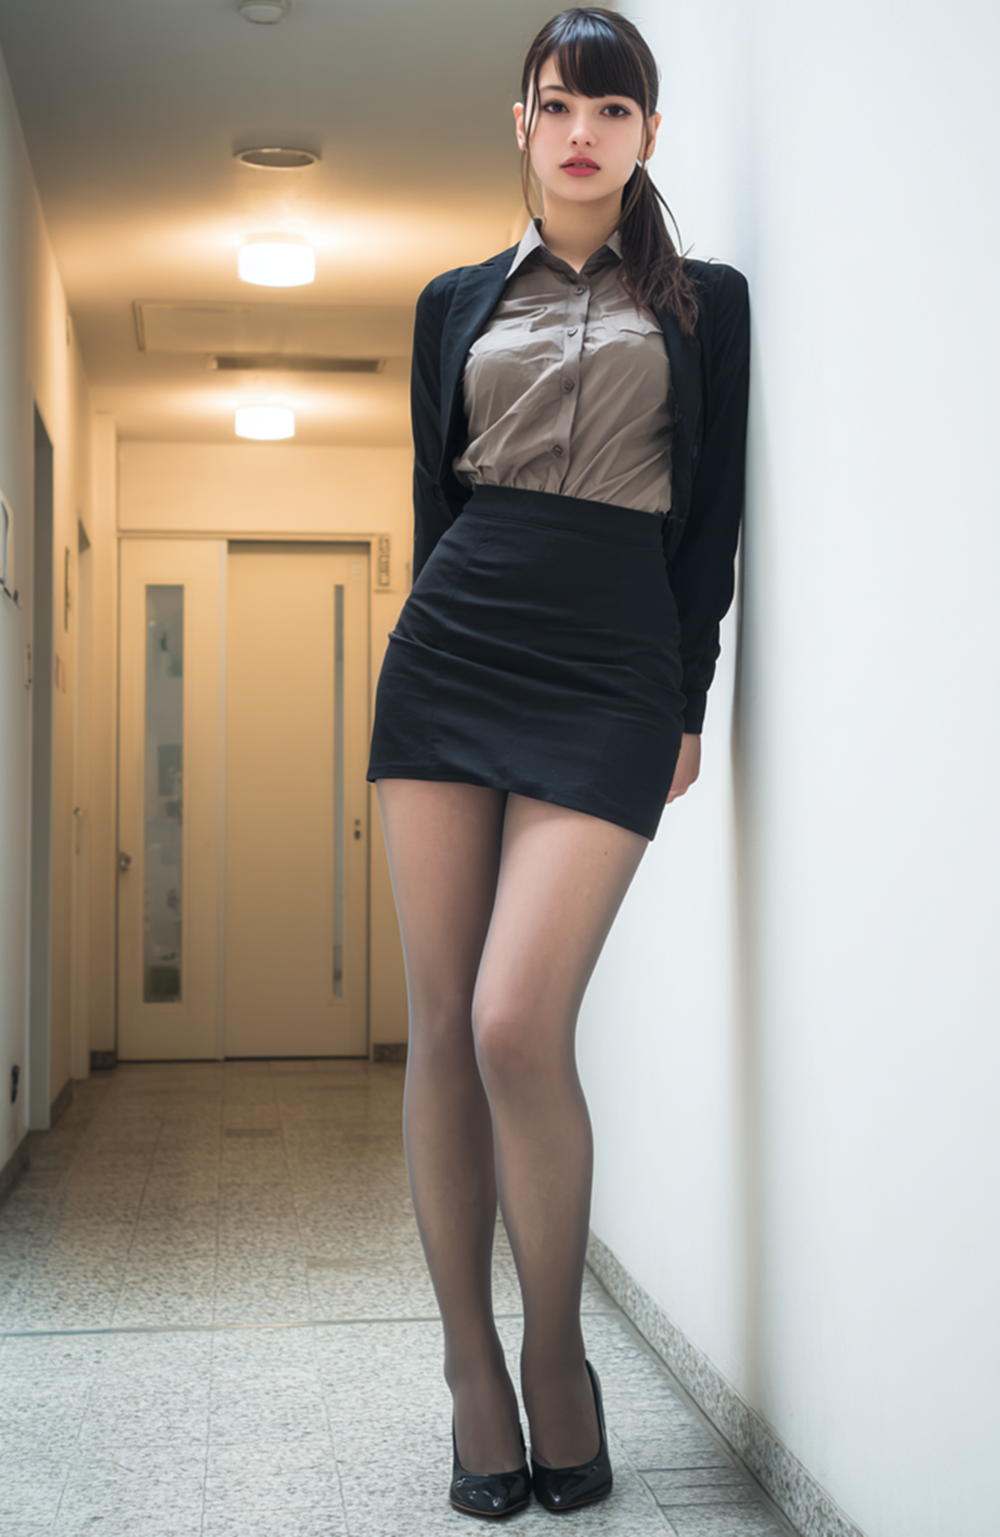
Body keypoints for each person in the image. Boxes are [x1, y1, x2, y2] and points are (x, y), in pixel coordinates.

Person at [366, 6, 749, 1518]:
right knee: (445, 1023)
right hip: (452, 654)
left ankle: (557, 1359)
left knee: (521, 1020)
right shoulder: (451, 300)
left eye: (612, 105)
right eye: (555, 102)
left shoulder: (708, 304)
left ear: (649, 134)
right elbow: (431, 498)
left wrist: (686, 700)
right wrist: (431, 636)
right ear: (519, 127)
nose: (581, 126)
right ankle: (471, 1373)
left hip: (610, 662)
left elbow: (709, 523)